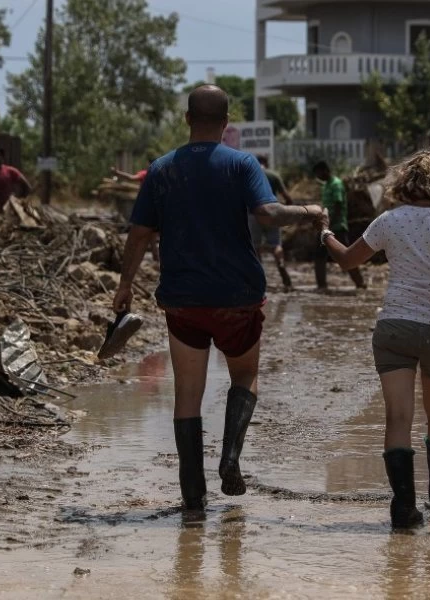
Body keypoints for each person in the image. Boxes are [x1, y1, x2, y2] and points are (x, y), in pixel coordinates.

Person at [113, 85, 327, 513]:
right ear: (226, 123)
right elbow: (267, 214)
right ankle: (231, 457)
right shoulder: (243, 164)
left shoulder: (161, 169)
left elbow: (138, 235)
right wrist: (309, 211)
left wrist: (124, 286)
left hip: (182, 300)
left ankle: (193, 498)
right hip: (237, 297)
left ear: (187, 119)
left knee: (187, 396)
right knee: (245, 376)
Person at [320, 151, 430, 529]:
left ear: (403, 185)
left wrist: (326, 233)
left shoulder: (388, 221)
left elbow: (346, 261)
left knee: (397, 417)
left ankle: (404, 509)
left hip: (394, 328)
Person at [312, 161, 366, 291]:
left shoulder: (336, 184)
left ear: (325, 170)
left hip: (337, 227)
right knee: (319, 256)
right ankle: (321, 286)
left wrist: (329, 224)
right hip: (325, 227)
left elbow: (338, 205)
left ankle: (360, 284)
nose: (318, 177)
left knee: (348, 256)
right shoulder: (325, 186)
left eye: (319, 173)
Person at [249, 155, 294, 291]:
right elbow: (287, 197)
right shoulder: (274, 175)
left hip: (254, 214)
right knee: (276, 245)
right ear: (266, 163)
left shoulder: (249, 176)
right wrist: (286, 214)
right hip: (272, 213)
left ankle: (259, 278)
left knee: (255, 247)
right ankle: (281, 265)